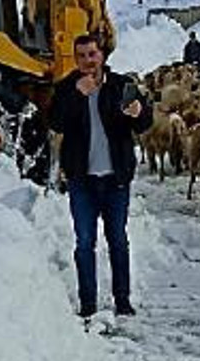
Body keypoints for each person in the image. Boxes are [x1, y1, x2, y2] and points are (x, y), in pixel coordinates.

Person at [49, 33, 153, 318]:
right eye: (81, 56)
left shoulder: (121, 86)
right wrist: (76, 95)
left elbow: (144, 123)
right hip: (82, 179)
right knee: (84, 242)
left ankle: (122, 300)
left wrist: (139, 112)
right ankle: (88, 304)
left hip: (115, 178)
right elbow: (55, 121)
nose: (87, 61)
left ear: (102, 56)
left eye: (91, 54)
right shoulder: (66, 88)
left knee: (118, 239)